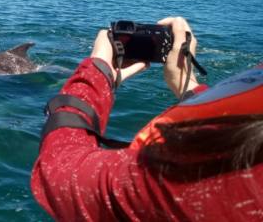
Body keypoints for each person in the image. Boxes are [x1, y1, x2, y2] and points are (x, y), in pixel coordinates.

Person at [31, 17, 263, 222]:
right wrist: (189, 86)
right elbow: (236, 127)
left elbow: (61, 175)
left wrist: (98, 70)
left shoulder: (206, 179)